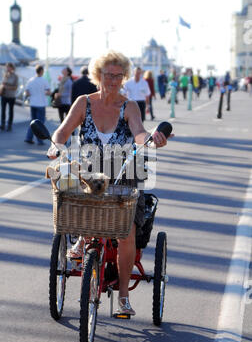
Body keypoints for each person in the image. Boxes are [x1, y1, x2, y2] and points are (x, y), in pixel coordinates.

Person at [47, 50, 172, 316]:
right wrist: (55, 144)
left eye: (118, 75)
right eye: (108, 74)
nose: (113, 80)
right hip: (90, 172)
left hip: (124, 170)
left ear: (124, 77)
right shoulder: (84, 102)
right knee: (70, 180)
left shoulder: (129, 106)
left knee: (125, 233)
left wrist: (151, 138)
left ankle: (124, 296)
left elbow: (138, 132)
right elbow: (64, 129)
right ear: (98, 75)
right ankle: (82, 237)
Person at [24, 65, 51, 145]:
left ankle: (28, 137)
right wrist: (43, 93)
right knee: (40, 123)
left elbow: (27, 92)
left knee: (33, 121)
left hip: (33, 103)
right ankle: (39, 140)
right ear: (42, 71)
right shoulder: (44, 81)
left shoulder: (31, 80)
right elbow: (48, 92)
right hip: (41, 103)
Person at [0, 63, 18, 131]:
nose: (7, 69)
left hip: (11, 96)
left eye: (9, 67)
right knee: (3, 110)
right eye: (7, 67)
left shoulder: (15, 76)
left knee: (10, 111)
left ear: (12, 68)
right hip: (4, 95)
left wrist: (7, 87)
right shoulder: (5, 75)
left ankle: (9, 125)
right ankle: (2, 124)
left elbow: (15, 87)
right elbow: (2, 84)